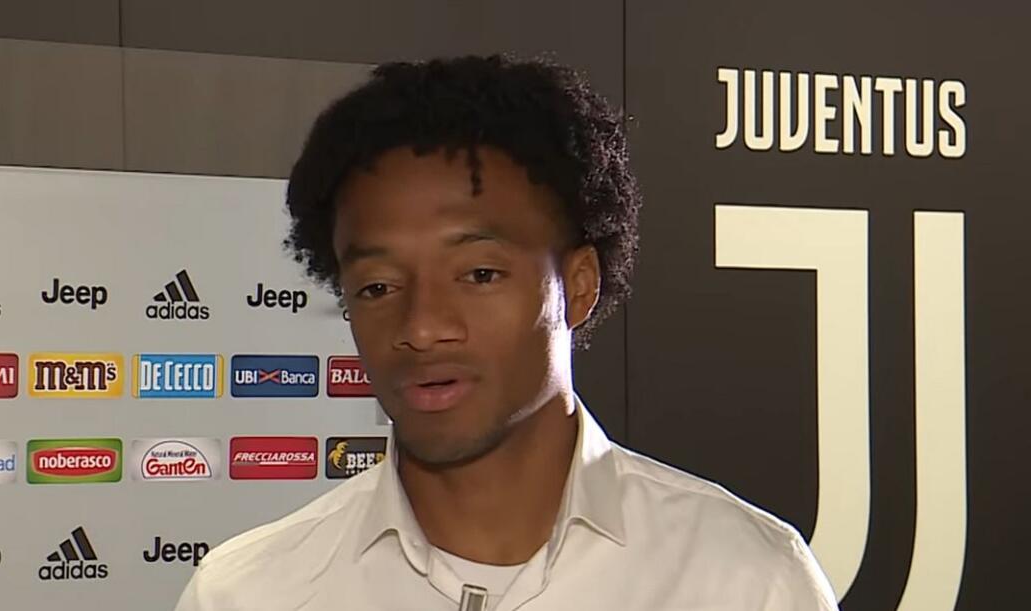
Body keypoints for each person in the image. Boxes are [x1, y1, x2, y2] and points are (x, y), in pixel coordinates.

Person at [174, 54, 838, 611]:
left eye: (480, 274)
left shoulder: (745, 580)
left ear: (579, 284)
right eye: (377, 286)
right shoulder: (247, 593)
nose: (422, 327)